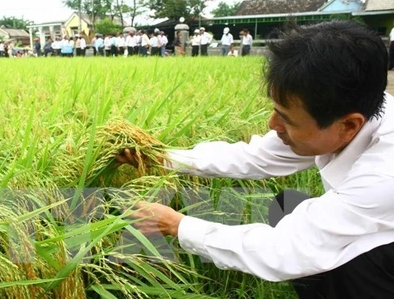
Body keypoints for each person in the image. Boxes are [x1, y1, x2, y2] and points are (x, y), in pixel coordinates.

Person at [116, 20, 394, 298]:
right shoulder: (350, 104)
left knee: (352, 264)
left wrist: (177, 225)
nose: (272, 124)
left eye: (285, 118)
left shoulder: (384, 174)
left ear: (348, 126)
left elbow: (288, 248)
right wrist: (162, 158)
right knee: (287, 206)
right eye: (276, 110)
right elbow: (254, 157)